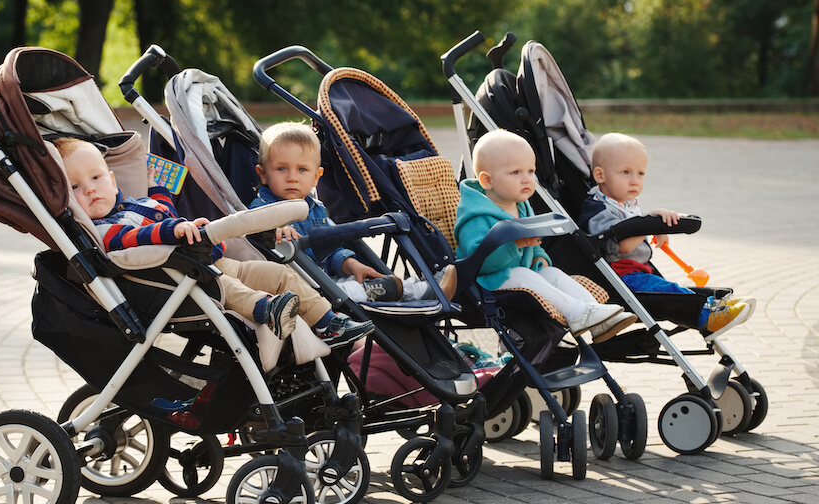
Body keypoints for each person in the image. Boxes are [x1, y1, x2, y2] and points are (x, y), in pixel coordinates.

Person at [55, 136, 373, 348]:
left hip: (210, 262)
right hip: (182, 280)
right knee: (233, 290)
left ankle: (327, 322)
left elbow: (165, 211)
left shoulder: (138, 203)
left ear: (112, 180)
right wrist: (173, 231)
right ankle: (265, 310)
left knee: (279, 275)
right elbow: (133, 237)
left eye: (96, 178)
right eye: (76, 187)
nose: (91, 189)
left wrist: (157, 189)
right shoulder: (103, 230)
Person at [454, 129, 637, 343]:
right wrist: (516, 245)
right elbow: (479, 261)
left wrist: (539, 256)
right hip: (486, 280)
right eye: (515, 173)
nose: (527, 179)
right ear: (487, 180)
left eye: (531, 171)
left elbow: (534, 243)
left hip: (523, 274)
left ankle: (599, 315)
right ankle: (578, 314)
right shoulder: (476, 215)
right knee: (524, 274)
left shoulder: (521, 205)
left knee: (554, 274)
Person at [578, 132, 754, 341]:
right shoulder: (599, 209)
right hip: (619, 278)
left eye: (640, 173)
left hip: (636, 272)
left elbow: (634, 228)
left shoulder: (624, 203)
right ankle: (708, 315)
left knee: (667, 288)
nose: (635, 181)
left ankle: (715, 304)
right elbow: (621, 246)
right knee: (666, 291)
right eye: (626, 172)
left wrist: (652, 225)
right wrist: (647, 223)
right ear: (600, 175)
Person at [250, 121, 446, 303]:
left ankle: (418, 289)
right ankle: (406, 292)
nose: (292, 177)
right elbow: (247, 238)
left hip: (327, 281)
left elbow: (330, 251)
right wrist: (270, 233)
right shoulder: (261, 208)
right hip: (298, 291)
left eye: (302, 170)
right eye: (282, 169)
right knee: (349, 291)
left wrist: (351, 264)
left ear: (316, 177)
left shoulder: (316, 209)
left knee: (356, 280)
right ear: (263, 174)